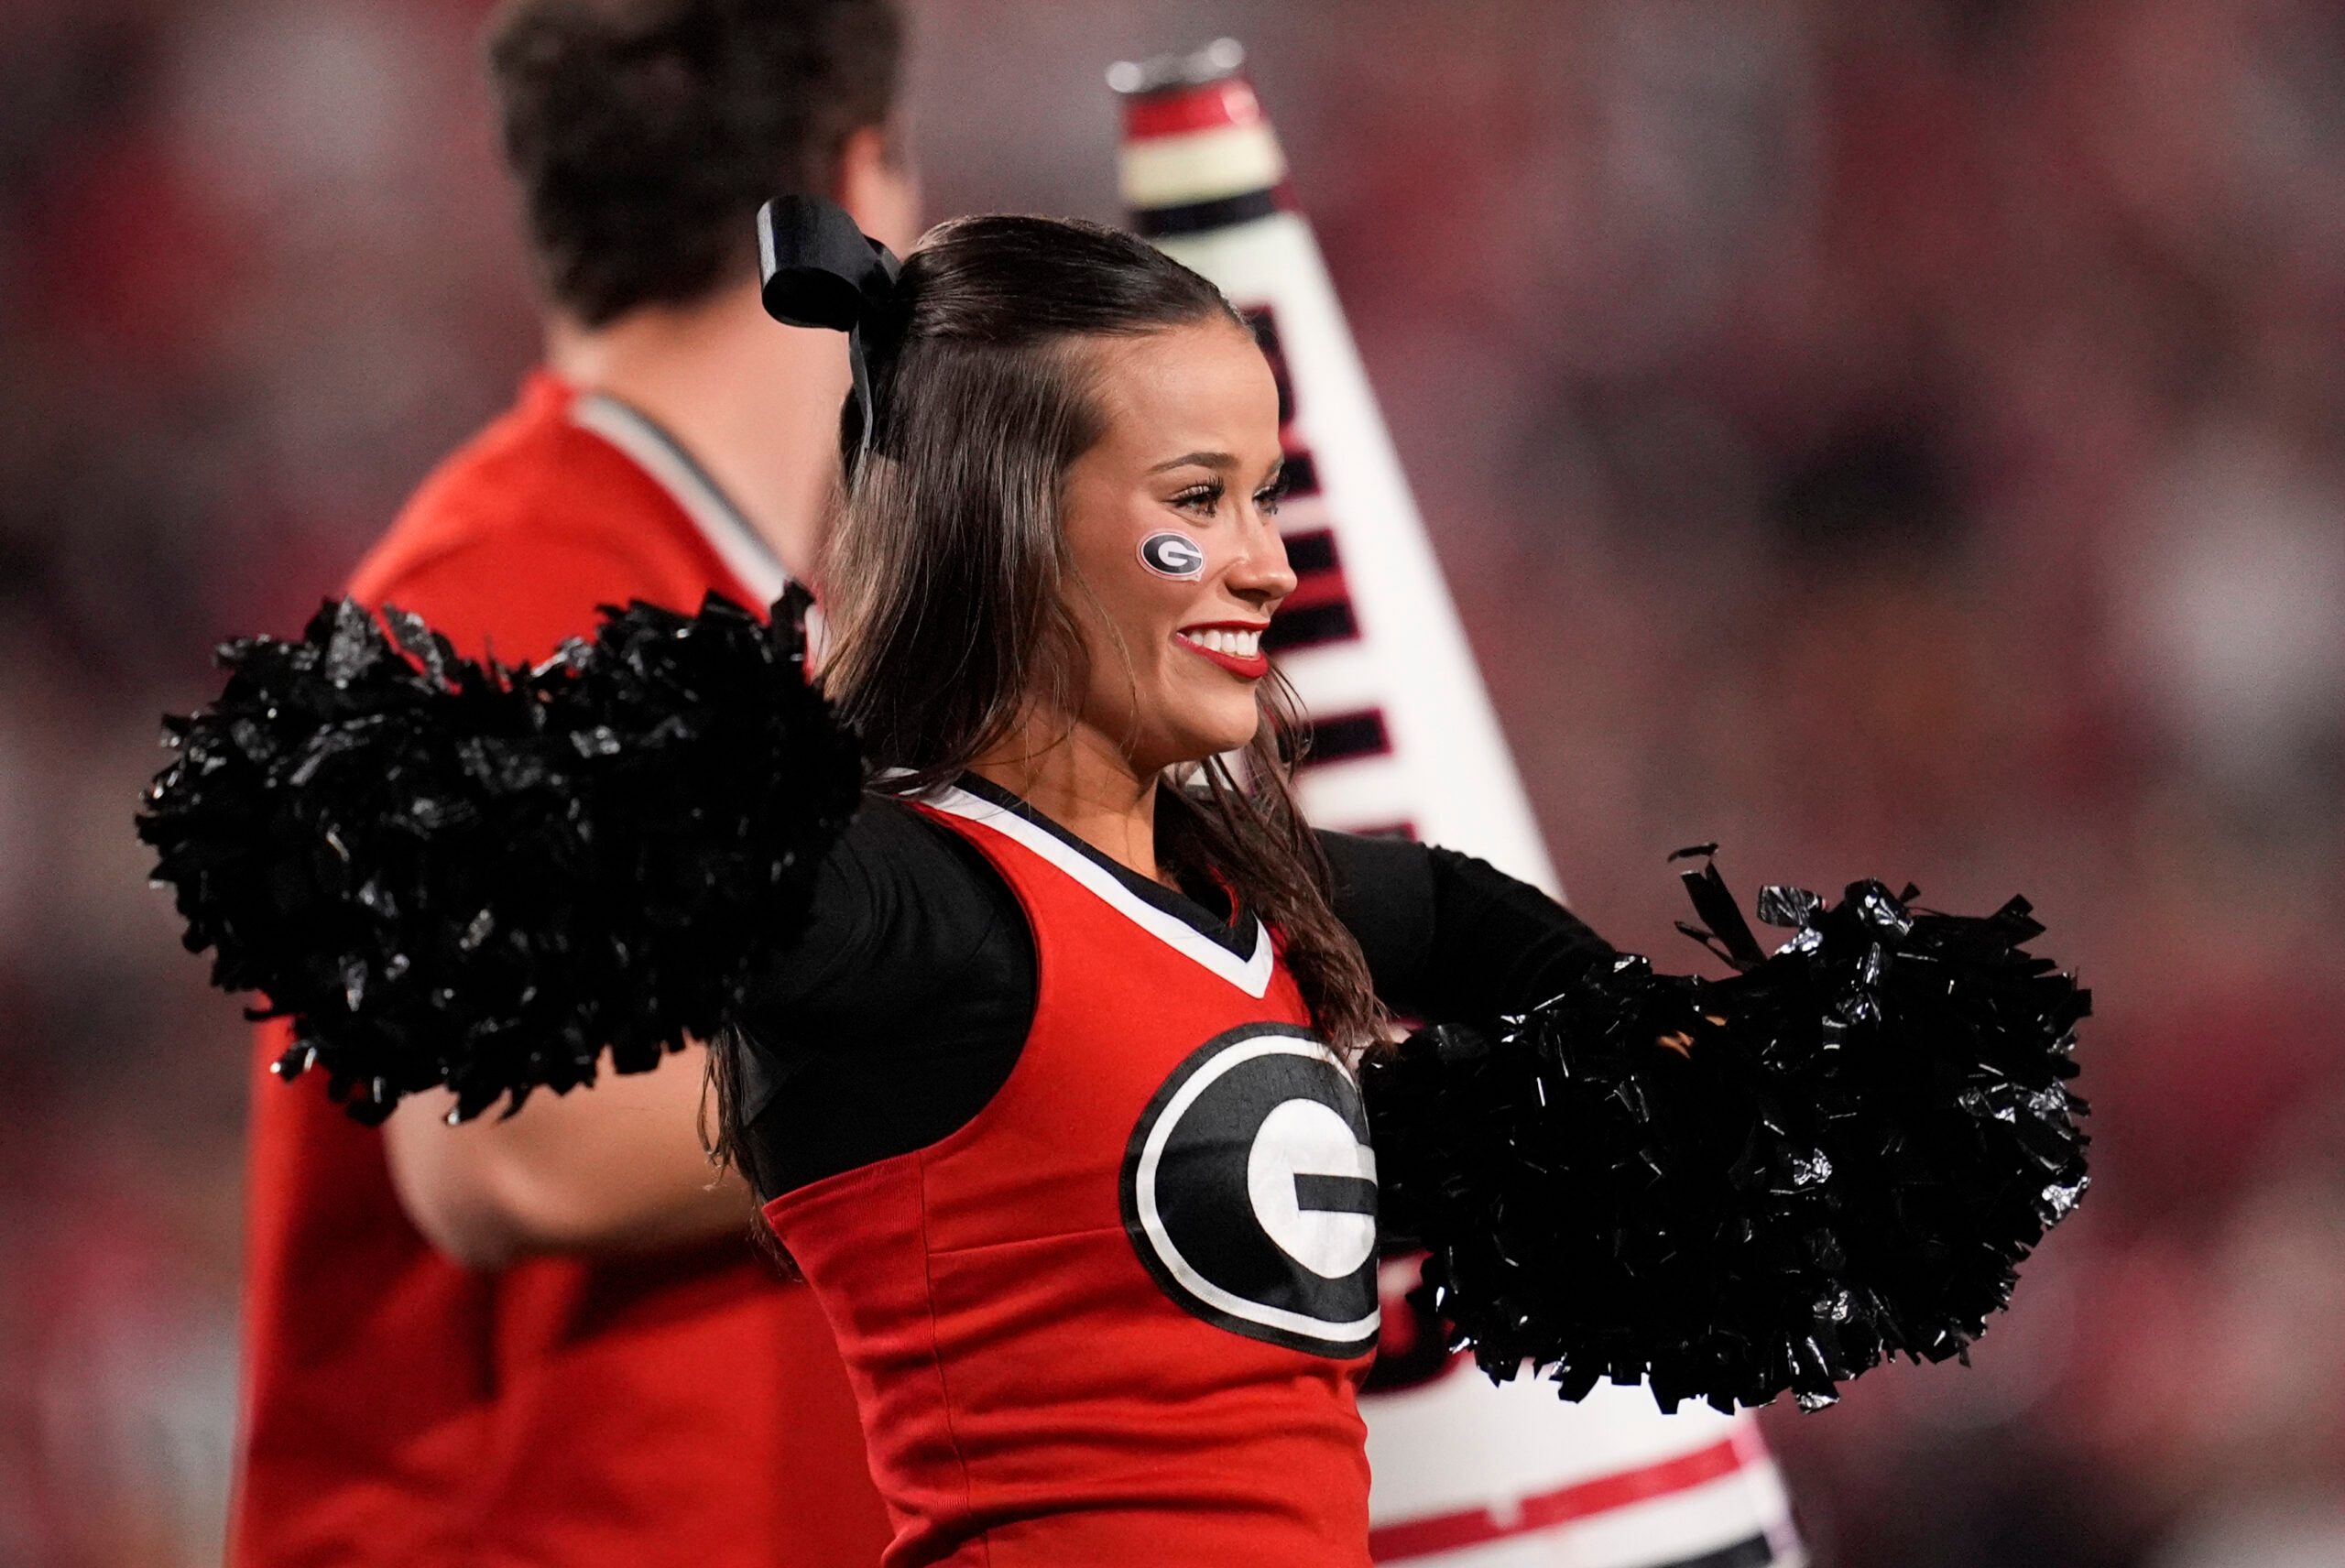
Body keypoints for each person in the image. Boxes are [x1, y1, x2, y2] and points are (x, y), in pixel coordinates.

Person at [699, 207, 1618, 1567]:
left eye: (1266, 495)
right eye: (1198, 500)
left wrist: (1664, 1054)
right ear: (1000, 522)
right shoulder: (910, 900)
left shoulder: (1235, 888)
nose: (1269, 564)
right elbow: (669, 878)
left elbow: (1449, 910)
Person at [230, 5, 916, 1565]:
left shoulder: (788, 615)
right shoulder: (504, 588)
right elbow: (509, 1149)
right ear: (861, 187)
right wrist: (1005, 1049)